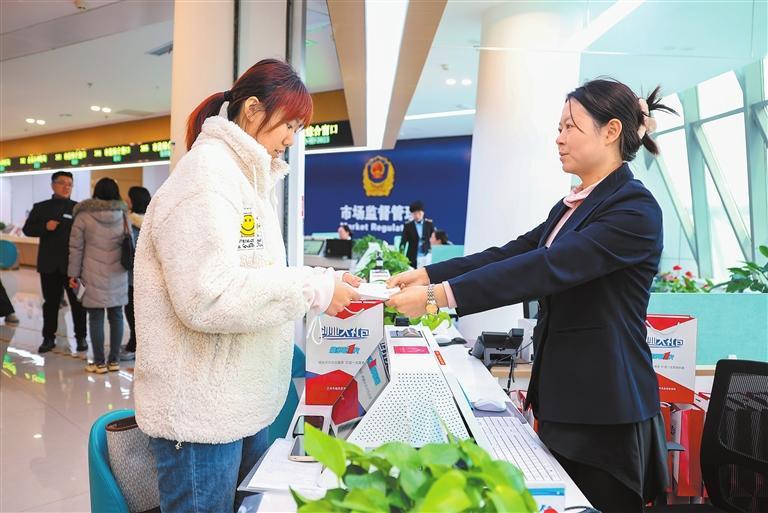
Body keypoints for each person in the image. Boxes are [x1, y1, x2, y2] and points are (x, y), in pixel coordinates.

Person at [387, 79, 673, 513]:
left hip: (606, 411)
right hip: (566, 400)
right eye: (559, 127)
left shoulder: (635, 210)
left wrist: (436, 297)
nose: (559, 138)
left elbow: (546, 268)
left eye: (570, 127)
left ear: (611, 131)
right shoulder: (573, 206)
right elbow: (512, 254)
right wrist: (426, 274)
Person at [133, 59, 361, 512]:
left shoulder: (247, 181)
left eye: (298, 128)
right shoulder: (206, 180)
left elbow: (254, 276)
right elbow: (208, 297)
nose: (291, 140)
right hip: (200, 419)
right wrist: (310, 289)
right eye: (289, 125)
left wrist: (323, 280)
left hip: (241, 405)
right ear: (253, 109)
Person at [68, 178, 129, 374]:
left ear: (96, 192)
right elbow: (130, 245)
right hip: (118, 274)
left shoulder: (83, 216)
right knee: (117, 316)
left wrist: (73, 274)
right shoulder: (123, 215)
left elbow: (76, 249)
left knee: (95, 318)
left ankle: (99, 363)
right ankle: (114, 361)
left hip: (91, 273)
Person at [22, 171, 87, 353]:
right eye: (62, 183)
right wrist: (45, 227)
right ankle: (48, 338)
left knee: (78, 303)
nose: (66, 187)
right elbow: (27, 229)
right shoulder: (41, 207)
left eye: (70, 184)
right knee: (50, 304)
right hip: (49, 265)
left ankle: (81, 337)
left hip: (74, 267)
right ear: (53, 185)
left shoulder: (78, 209)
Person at [120, 186, 151, 361]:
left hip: (133, 277)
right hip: (150, 277)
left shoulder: (130, 223)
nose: (126, 201)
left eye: (129, 198)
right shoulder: (154, 222)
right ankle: (142, 345)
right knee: (145, 313)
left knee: (132, 310)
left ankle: (134, 344)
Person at [399, 200, 434, 268]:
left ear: (423, 213)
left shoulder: (429, 224)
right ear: (411, 214)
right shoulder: (408, 226)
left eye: (419, 213)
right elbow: (403, 241)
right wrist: (400, 255)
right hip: (412, 256)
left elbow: (433, 238)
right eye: (415, 214)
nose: (417, 216)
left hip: (426, 255)